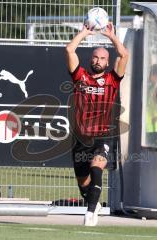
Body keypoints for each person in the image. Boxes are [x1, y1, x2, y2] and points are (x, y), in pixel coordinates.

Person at [65, 22, 129, 226]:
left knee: (97, 168)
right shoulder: (80, 76)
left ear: (107, 61)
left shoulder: (113, 79)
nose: (98, 61)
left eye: (102, 58)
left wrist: (112, 36)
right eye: (95, 57)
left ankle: (90, 213)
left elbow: (124, 55)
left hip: (103, 134)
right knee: (84, 183)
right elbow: (69, 50)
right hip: (81, 137)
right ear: (90, 59)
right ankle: (92, 201)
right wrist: (84, 33)